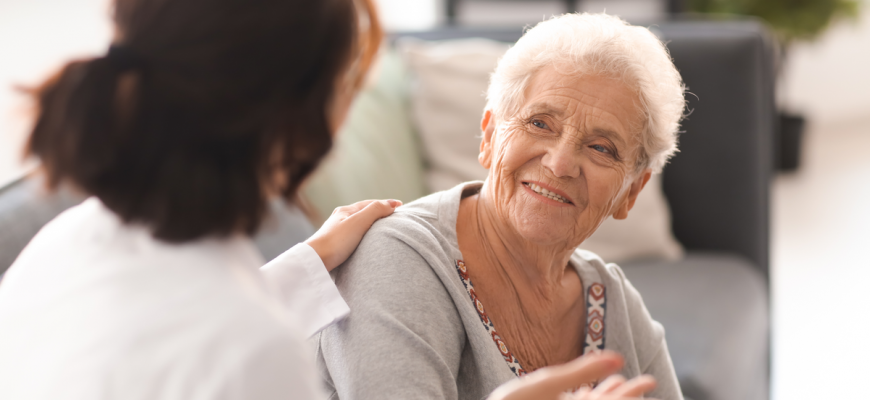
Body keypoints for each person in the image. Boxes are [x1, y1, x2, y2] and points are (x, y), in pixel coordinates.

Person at [0, 1, 657, 399]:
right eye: (351, 78)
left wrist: (304, 265)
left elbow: (160, 341)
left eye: (603, 149)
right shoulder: (249, 345)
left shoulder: (69, 242)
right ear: (309, 115)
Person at [315, 12, 687, 400]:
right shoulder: (398, 258)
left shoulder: (615, 304)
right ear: (490, 136)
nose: (559, 163)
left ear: (631, 192)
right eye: (540, 123)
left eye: (600, 148)